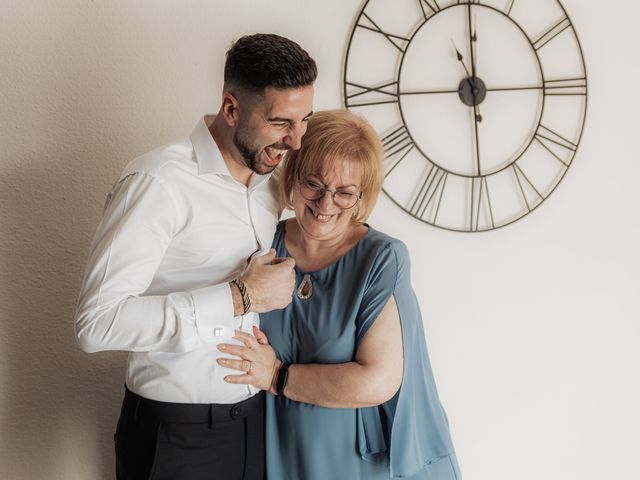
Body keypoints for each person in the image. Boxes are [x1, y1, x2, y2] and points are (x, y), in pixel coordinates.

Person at [74, 34, 317, 480]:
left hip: (254, 425)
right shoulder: (158, 182)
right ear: (231, 109)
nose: (296, 141)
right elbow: (96, 324)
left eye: (304, 121)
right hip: (175, 436)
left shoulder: (271, 184)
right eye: (282, 122)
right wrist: (239, 298)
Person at [217, 109, 461, 480]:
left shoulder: (381, 258)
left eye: (344, 192)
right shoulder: (263, 242)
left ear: (361, 195)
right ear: (293, 176)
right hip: (280, 452)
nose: (325, 203)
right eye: (313, 184)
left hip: (361, 463)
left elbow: (377, 380)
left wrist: (277, 376)